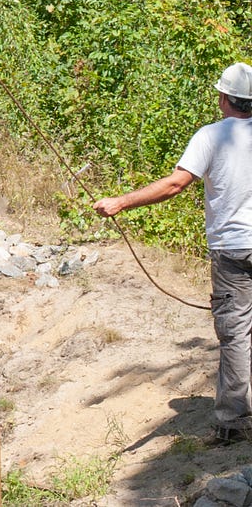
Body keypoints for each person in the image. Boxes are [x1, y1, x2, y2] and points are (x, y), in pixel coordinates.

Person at [93, 62, 252, 445]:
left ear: (223, 99)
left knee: (235, 333)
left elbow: (176, 183)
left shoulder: (212, 136)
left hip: (232, 249)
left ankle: (233, 424)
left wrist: (121, 202)